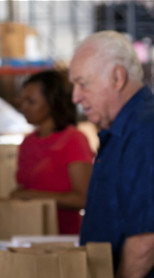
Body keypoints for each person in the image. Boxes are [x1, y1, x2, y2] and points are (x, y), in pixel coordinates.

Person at [70, 30, 154, 278]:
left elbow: (149, 237)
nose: (76, 97)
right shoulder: (123, 129)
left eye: (82, 83)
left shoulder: (147, 130)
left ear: (117, 77)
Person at [11, 69, 94, 234]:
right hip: (30, 232)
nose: (24, 107)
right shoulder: (27, 142)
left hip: (65, 237)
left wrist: (32, 196)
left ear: (52, 102)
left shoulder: (74, 140)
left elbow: (84, 199)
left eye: (31, 101)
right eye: (22, 101)